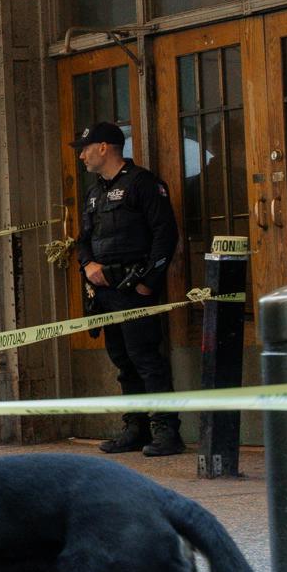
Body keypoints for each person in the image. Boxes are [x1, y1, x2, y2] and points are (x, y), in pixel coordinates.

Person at [72, 120, 183, 456]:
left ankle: (166, 431)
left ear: (104, 147)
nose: (81, 156)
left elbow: (166, 236)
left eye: (85, 149)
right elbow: (83, 240)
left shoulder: (143, 184)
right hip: (105, 294)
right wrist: (87, 265)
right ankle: (136, 427)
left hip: (135, 289)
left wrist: (148, 285)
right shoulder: (94, 194)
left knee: (146, 359)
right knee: (123, 361)